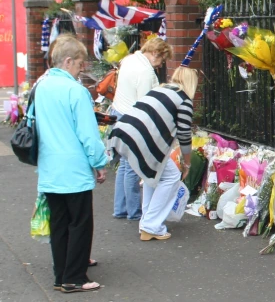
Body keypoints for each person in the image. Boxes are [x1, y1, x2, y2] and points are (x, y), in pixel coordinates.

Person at [34, 34, 108, 293]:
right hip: (74, 167)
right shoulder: (75, 91)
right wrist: (99, 162)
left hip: (49, 165)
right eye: (79, 64)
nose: (81, 69)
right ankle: (75, 277)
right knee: (80, 223)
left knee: (59, 224)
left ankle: (60, 274)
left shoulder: (41, 86)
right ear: (67, 61)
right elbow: (88, 134)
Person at [107, 67, 196, 241]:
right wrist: (187, 163)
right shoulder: (183, 100)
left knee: (152, 176)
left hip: (124, 133)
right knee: (171, 177)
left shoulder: (159, 89)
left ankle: (147, 222)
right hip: (143, 141)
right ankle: (151, 225)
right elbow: (184, 135)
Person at [109, 38, 171, 220]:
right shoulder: (145, 72)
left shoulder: (129, 60)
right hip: (132, 120)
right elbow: (145, 106)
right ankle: (134, 212)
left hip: (118, 113)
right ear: (155, 53)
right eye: (162, 59)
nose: (161, 64)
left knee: (123, 165)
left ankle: (120, 208)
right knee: (132, 168)